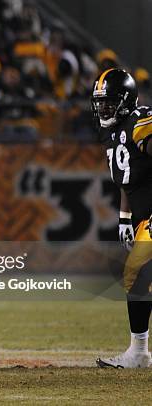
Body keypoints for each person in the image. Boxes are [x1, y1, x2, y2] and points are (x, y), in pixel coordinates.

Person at [91, 68, 152, 368]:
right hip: (142, 216)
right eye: (99, 102)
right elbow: (126, 181)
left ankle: (139, 353)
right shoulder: (112, 132)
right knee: (138, 279)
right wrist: (125, 217)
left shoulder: (141, 122)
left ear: (125, 101)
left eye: (109, 102)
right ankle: (139, 352)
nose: (103, 108)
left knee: (137, 273)